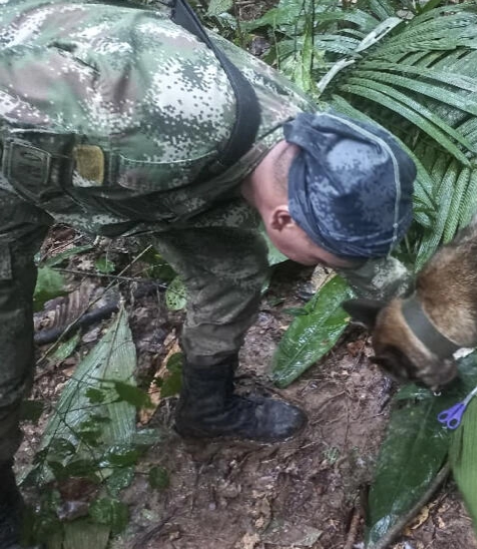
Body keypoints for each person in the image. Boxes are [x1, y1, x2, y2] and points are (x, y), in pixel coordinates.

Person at [0, 0, 416, 545]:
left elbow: (362, 256)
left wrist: (425, 333)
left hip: (160, 187)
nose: (330, 269)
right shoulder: (152, 118)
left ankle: (206, 408)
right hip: (17, 161)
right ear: (284, 219)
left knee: (233, 275)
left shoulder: (311, 146)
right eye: (321, 261)